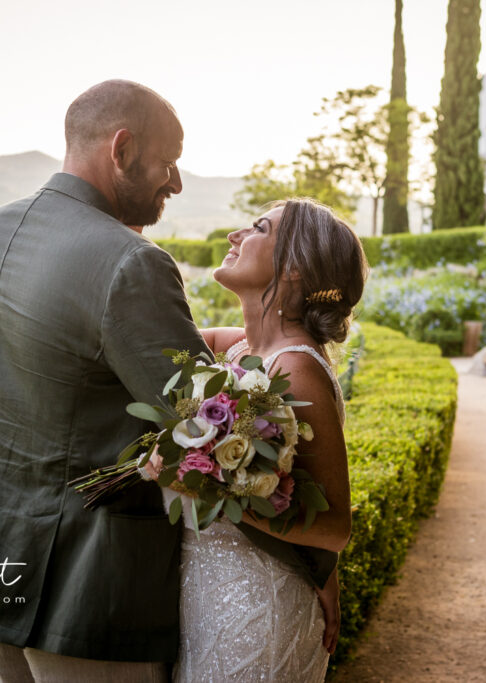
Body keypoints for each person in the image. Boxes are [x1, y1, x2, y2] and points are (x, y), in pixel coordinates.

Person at [0, 80, 211, 682]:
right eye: (168, 163)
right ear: (121, 150)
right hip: (90, 587)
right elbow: (203, 418)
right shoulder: (132, 262)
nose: (176, 182)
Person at [146, 198, 368, 682]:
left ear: (294, 268)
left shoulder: (296, 367)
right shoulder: (245, 347)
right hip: (205, 593)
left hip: (253, 607)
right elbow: (152, 336)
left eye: (257, 228)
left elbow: (333, 528)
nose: (235, 236)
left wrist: (200, 482)